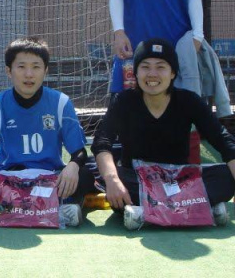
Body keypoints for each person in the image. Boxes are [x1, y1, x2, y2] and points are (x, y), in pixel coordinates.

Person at [92, 38, 235, 230]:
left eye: (161, 67)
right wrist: (112, 180)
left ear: (173, 73)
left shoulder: (189, 101)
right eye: (145, 67)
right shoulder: (124, 101)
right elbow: (102, 142)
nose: (152, 74)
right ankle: (198, 207)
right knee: (113, 181)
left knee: (225, 176)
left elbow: (222, 139)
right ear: (136, 72)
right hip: (138, 180)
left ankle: (146, 212)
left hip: (180, 182)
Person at [0, 38, 95, 226]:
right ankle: (57, 210)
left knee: (86, 176)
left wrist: (73, 166)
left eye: (36, 67)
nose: (29, 74)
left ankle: (0, 208)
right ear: (9, 71)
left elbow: (79, 152)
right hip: (10, 179)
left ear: (45, 70)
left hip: (49, 178)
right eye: (21, 67)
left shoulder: (61, 102)